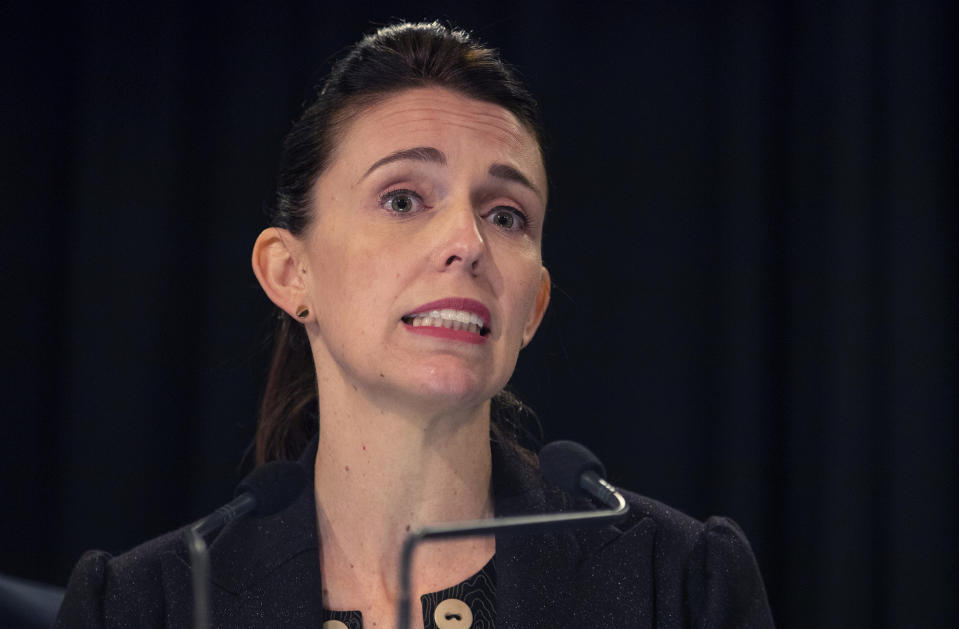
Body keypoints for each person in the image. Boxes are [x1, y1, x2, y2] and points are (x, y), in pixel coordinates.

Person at [56, 21, 775, 628]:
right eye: (402, 200)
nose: (467, 240)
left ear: (533, 307)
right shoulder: (145, 604)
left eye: (505, 214)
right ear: (288, 272)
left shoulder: (681, 583)